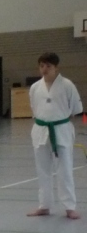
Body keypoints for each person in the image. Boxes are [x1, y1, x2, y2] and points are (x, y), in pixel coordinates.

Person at [27, 52, 83, 219]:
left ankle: (69, 207)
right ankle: (44, 205)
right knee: (42, 170)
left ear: (56, 67)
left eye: (48, 66)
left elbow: (76, 109)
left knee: (65, 169)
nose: (44, 69)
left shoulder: (67, 85)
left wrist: (59, 117)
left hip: (61, 129)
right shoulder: (35, 87)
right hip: (40, 130)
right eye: (42, 66)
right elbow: (34, 108)